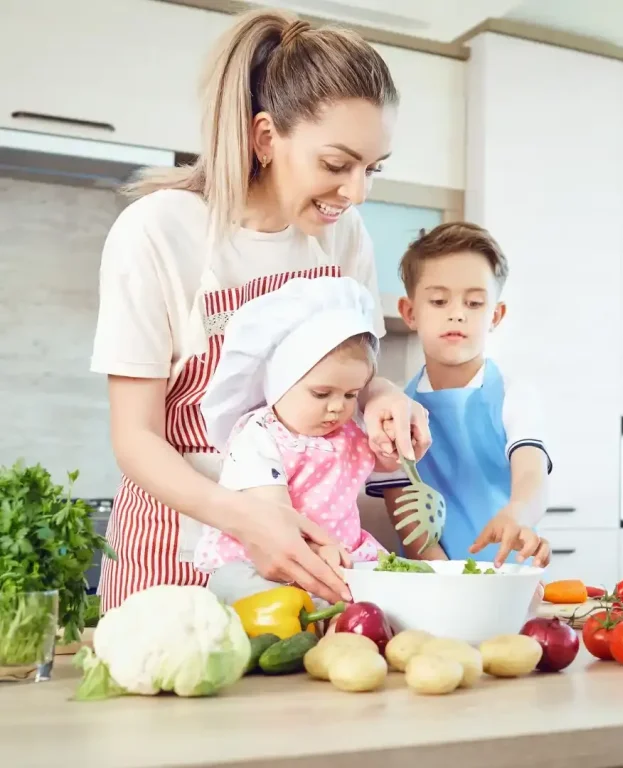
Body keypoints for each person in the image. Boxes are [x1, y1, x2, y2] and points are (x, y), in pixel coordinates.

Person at [89, 10, 430, 613]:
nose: (357, 193)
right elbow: (135, 438)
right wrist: (247, 518)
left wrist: (383, 396)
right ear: (266, 137)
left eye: (372, 169)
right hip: (176, 552)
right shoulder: (158, 232)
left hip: (310, 562)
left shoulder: (344, 236)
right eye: (337, 165)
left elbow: (355, 369)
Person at [366, 222, 552, 569]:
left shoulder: (515, 396)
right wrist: (453, 582)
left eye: (475, 302)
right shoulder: (394, 415)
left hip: (511, 580)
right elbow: (412, 529)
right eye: (439, 301)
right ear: (410, 312)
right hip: (435, 581)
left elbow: (532, 477)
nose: (457, 313)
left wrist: (517, 513)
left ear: (495, 315)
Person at [194, 276, 389, 604]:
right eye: (322, 393)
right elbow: (274, 511)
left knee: (382, 594)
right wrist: (315, 550)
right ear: (279, 383)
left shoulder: (347, 435)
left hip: (338, 557)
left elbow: (383, 464)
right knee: (242, 587)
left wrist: (389, 443)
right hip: (265, 560)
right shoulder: (259, 436)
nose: (337, 406)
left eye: (351, 394)